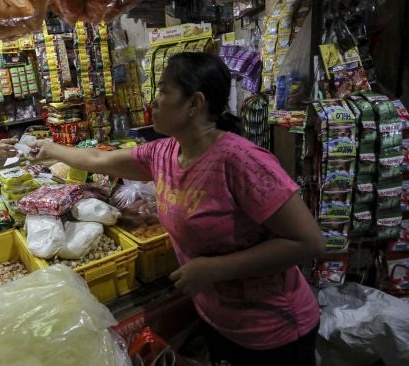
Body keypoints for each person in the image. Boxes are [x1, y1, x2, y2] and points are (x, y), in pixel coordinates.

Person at [31, 52, 324, 366]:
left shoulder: (241, 161)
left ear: (194, 103)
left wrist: (215, 269)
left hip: (273, 332)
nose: (153, 101)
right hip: (219, 320)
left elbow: (308, 242)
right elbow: (100, 160)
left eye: (163, 91)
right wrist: (48, 149)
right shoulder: (164, 153)